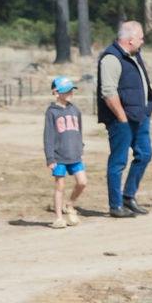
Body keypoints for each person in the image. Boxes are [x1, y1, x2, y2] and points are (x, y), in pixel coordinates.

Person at [95, 19, 152, 217]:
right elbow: (108, 92)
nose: (143, 41)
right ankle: (115, 205)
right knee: (118, 162)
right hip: (121, 120)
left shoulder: (134, 55)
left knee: (145, 154)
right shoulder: (111, 58)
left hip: (140, 117)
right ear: (130, 39)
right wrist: (121, 118)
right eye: (140, 37)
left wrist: (146, 110)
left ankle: (129, 196)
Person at [41, 76, 87, 230]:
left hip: (75, 155)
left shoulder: (75, 110)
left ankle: (70, 205)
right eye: (66, 91)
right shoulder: (51, 112)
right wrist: (50, 158)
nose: (70, 93)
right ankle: (59, 218)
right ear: (56, 92)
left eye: (71, 90)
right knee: (60, 186)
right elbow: (48, 136)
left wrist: (81, 148)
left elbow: (79, 131)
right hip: (59, 157)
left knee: (82, 182)